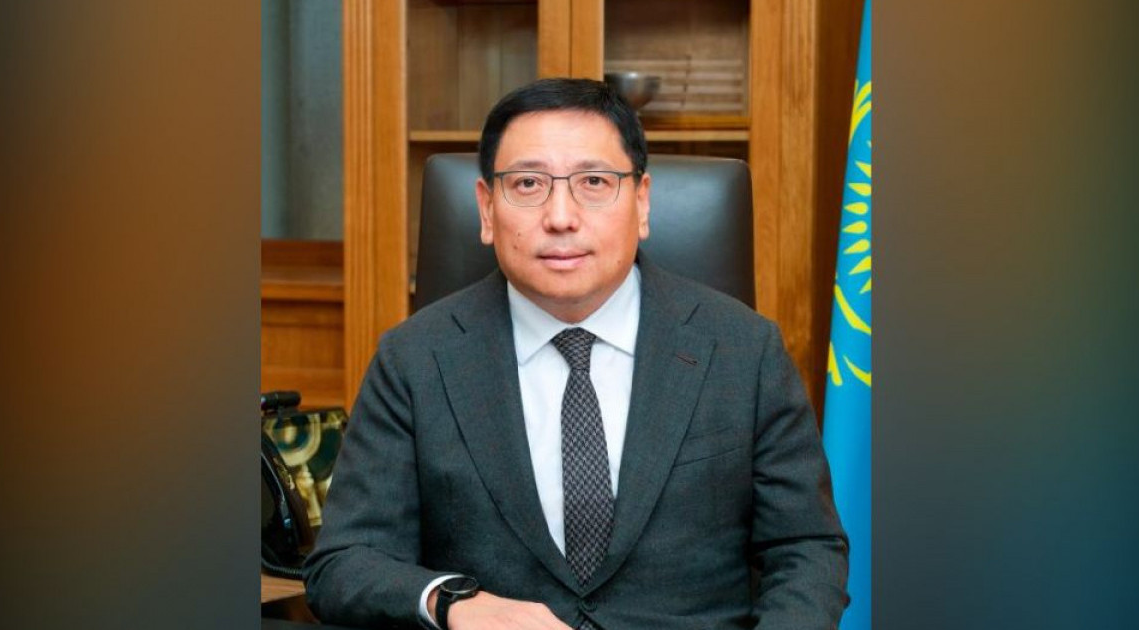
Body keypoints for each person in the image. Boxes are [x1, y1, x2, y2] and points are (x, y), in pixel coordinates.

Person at [303, 78, 849, 630]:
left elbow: (805, 550)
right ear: (486, 210)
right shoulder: (414, 360)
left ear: (641, 202)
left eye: (594, 182)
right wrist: (454, 604)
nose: (561, 216)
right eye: (528, 184)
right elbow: (344, 563)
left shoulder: (743, 351)